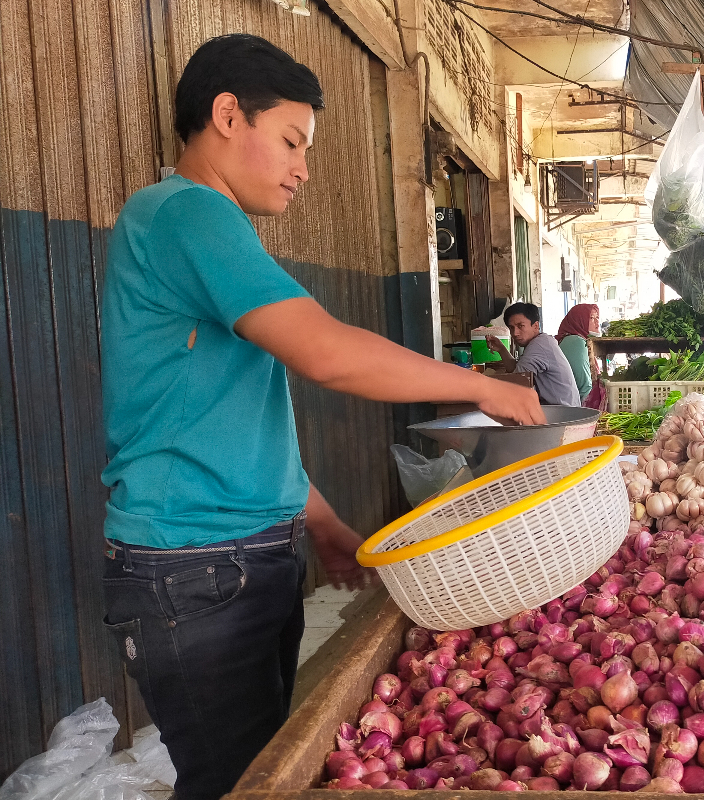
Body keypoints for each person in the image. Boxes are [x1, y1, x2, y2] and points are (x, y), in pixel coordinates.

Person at [99, 34, 544, 800]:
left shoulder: (202, 226)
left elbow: (228, 422)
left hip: (235, 558)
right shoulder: (188, 214)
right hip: (195, 565)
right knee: (242, 783)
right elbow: (327, 353)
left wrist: (322, 521)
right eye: (291, 141)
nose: (303, 168)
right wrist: (485, 390)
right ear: (228, 115)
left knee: (265, 766)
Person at [487, 302, 581, 406]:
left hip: (562, 412)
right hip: (563, 408)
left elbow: (517, 381)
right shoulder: (543, 340)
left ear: (536, 326)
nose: (515, 333)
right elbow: (517, 372)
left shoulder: (538, 346)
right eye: (511, 328)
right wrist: (501, 349)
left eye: (520, 326)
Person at [556, 303, 600, 399]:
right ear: (579, 321)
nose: (597, 323)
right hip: (577, 405)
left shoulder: (577, 340)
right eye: (592, 318)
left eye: (597, 318)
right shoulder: (575, 342)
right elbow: (585, 387)